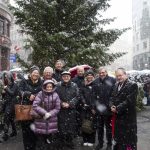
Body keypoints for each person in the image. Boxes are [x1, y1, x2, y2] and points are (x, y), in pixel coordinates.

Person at [110, 68, 138, 150]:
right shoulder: (116, 85)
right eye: (117, 76)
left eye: (120, 75)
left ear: (125, 75)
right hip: (118, 118)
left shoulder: (132, 85)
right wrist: (111, 105)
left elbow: (129, 101)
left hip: (128, 118)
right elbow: (112, 97)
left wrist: (117, 108)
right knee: (119, 140)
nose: (119, 77)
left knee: (128, 141)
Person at [31, 80, 60, 150]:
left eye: (50, 87)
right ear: (44, 86)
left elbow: (57, 108)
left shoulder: (56, 95)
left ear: (53, 87)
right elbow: (35, 105)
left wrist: (50, 114)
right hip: (41, 119)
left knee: (50, 140)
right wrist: (44, 113)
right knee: (40, 140)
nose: (49, 88)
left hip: (52, 120)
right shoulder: (40, 94)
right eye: (47, 86)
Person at [19, 66, 42, 150]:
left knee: (36, 131)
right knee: (26, 131)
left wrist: (36, 96)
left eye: (37, 73)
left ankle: (35, 146)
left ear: (39, 74)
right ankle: (28, 147)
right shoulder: (24, 82)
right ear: (30, 73)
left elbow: (45, 92)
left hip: (37, 110)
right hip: (26, 109)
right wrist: (28, 94)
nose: (35, 74)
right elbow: (19, 91)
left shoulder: (42, 82)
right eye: (34, 72)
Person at [93, 67, 116, 150]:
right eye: (100, 73)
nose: (102, 74)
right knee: (99, 128)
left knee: (109, 128)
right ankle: (100, 143)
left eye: (103, 72)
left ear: (106, 72)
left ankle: (109, 144)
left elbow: (114, 94)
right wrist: (95, 106)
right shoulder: (95, 81)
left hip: (108, 109)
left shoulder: (112, 80)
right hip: (99, 109)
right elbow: (94, 95)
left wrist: (110, 104)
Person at [56, 71, 79, 149]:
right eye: (64, 76)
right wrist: (62, 103)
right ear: (62, 77)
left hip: (71, 110)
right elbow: (55, 97)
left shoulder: (74, 85)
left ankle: (69, 142)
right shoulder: (57, 85)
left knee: (71, 126)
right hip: (61, 110)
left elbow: (77, 96)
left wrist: (69, 103)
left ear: (70, 77)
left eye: (67, 76)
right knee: (61, 126)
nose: (66, 77)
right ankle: (62, 142)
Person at [80, 70, 96, 147]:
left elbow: (96, 97)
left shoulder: (96, 84)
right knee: (84, 123)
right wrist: (84, 102)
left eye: (91, 75)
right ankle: (85, 139)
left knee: (92, 124)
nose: (89, 76)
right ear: (86, 76)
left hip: (93, 108)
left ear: (93, 76)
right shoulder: (83, 84)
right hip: (84, 107)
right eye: (88, 75)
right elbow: (80, 94)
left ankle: (91, 140)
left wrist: (92, 106)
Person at [1, 71, 18, 141]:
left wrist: (6, 89)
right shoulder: (7, 85)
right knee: (10, 119)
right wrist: (3, 93)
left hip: (12, 104)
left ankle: (5, 134)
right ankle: (14, 131)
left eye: (6, 77)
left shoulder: (14, 85)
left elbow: (12, 93)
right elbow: (6, 95)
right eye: (4, 77)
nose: (5, 78)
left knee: (6, 118)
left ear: (10, 77)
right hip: (7, 103)